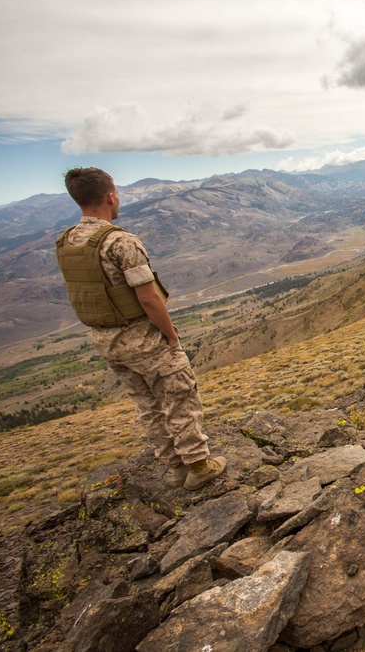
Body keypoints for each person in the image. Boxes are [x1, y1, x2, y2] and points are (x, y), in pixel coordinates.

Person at [56, 167, 227, 491]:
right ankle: (199, 466)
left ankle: (176, 469)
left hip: (106, 340)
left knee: (147, 405)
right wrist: (171, 336)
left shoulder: (66, 242)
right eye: (116, 193)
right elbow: (148, 297)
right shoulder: (119, 242)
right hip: (142, 337)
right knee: (179, 397)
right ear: (110, 196)